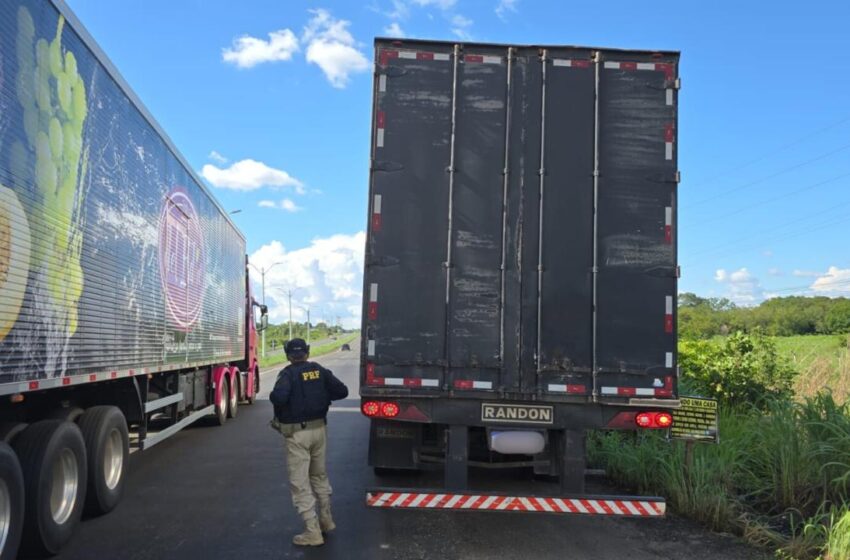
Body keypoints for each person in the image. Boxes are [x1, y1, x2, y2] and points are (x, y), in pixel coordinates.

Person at [269, 338, 349, 547]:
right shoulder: (319, 370)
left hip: (297, 435)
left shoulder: (287, 374)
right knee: (319, 476)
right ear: (308, 352)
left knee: (300, 483)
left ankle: (312, 532)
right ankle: (326, 520)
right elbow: (342, 391)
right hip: (319, 430)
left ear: (287, 355)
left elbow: (278, 398)